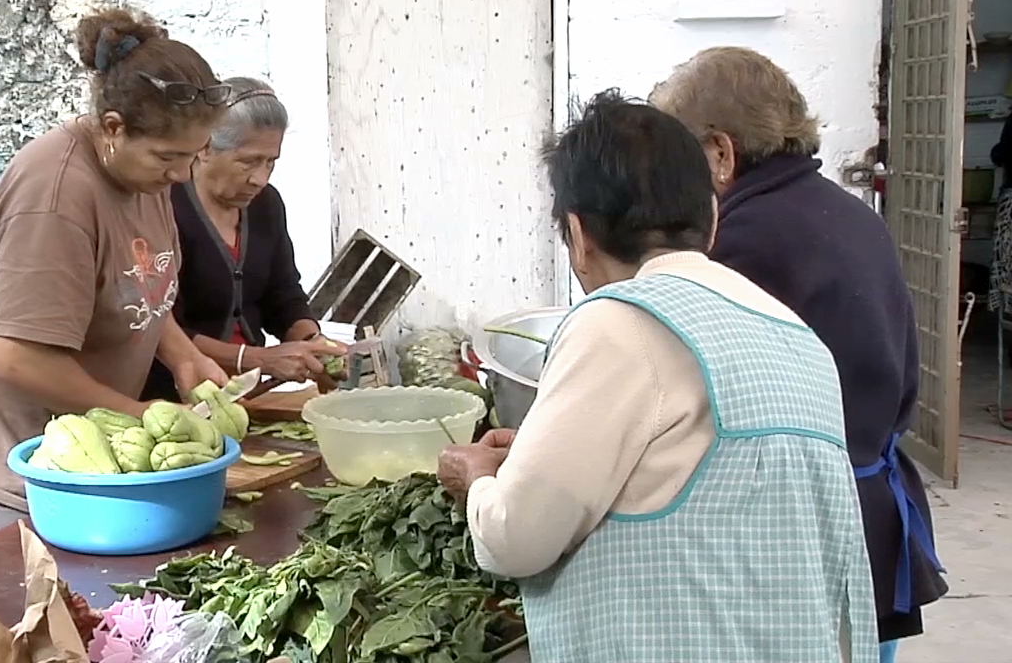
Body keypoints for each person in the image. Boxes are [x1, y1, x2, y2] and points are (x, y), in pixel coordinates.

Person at [437, 89, 878, 663]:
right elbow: (711, 481)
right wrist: (541, 454)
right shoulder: (795, 333)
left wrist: (479, 480)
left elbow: (516, 539)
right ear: (712, 218)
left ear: (577, 235)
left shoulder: (617, 323)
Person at [649, 47, 948, 663]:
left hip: (812, 539)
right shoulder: (846, 212)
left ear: (720, 154)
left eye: (677, 162)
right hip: (872, 518)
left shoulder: (741, 242)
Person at [0, 8, 230, 549]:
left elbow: (137, 281)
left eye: (194, 156)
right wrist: (135, 414)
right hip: (4, 449)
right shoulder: (54, 199)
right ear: (113, 128)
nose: (180, 175)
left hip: (74, 446)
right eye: (168, 157)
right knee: (20, 624)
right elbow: (14, 356)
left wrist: (179, 354)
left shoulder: (145, 179)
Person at [141, 77, 347, 401]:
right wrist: (256, 359)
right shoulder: (163, 209)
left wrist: (313, 341)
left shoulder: (267, 205)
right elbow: (158, 326)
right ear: (205, 147)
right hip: (171, 400)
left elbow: (282, 293)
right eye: (249, 161)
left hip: (248, 396)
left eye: (271, 162)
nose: (260, 179)